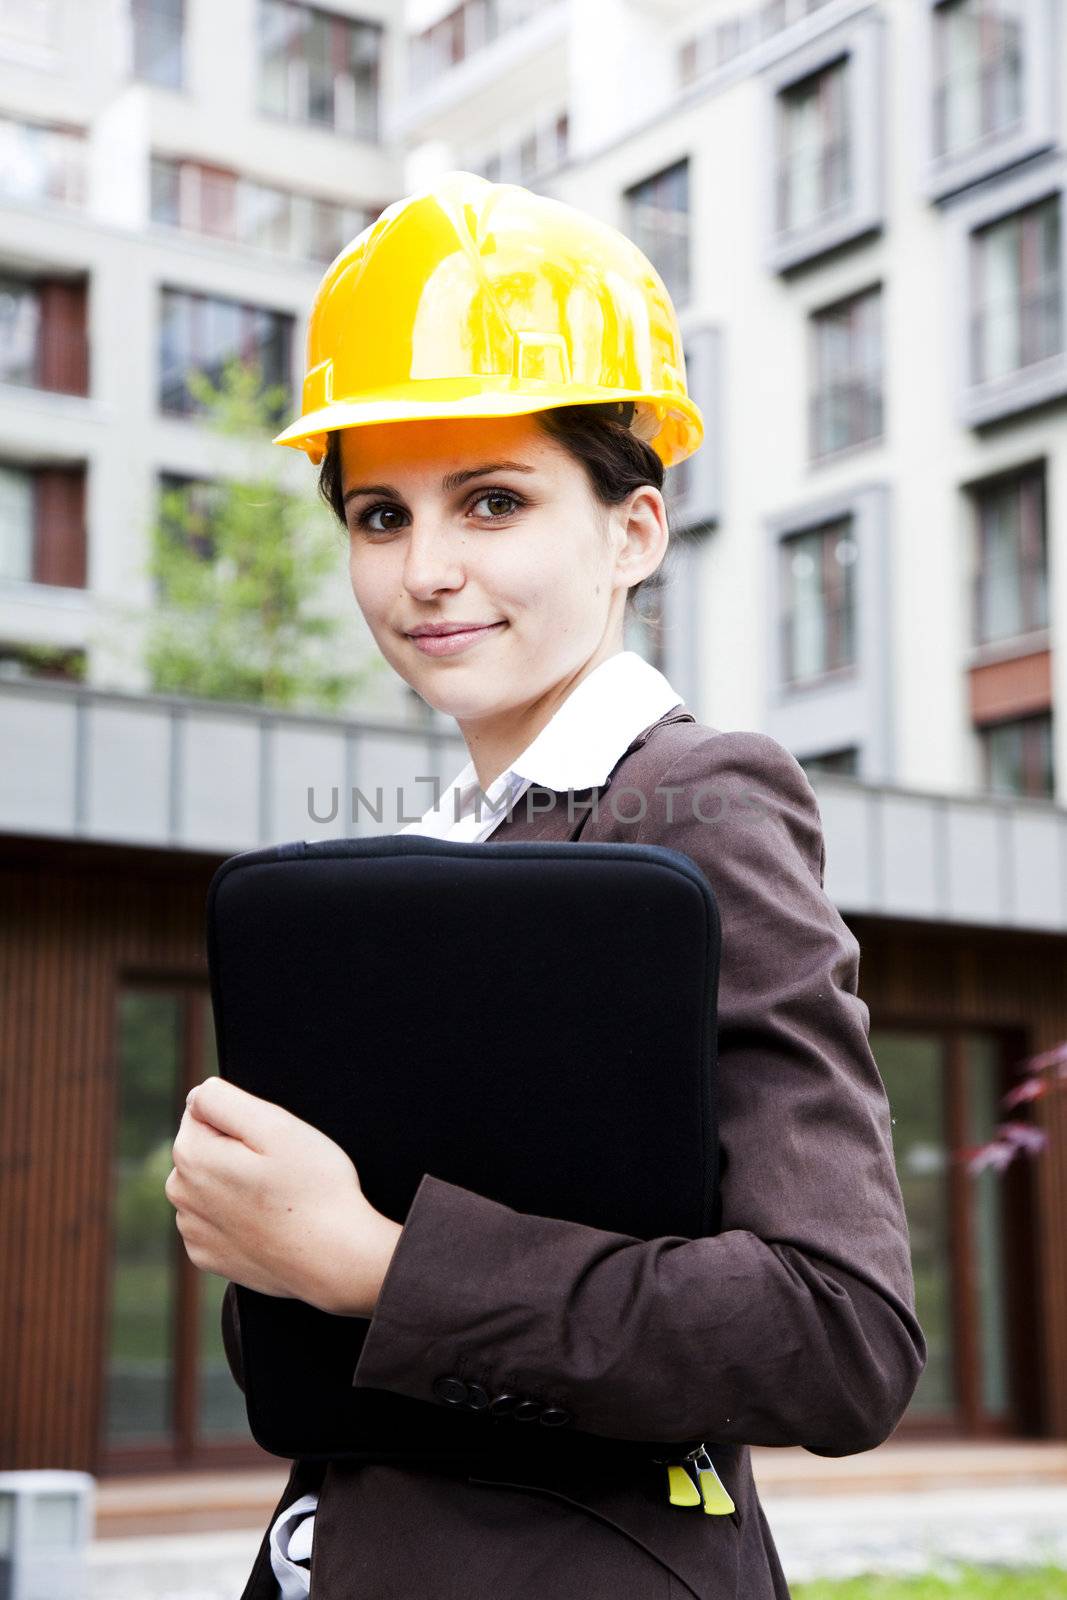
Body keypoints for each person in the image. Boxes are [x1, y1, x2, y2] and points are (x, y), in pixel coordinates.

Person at [167, 172, 925, 1600]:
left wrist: (378, 1265)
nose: (427, 572)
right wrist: (267, 1232)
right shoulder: (447, 857)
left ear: (635, 531)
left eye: (494, 501)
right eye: (380, 516)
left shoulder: (698, 800)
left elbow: (842, 1335)